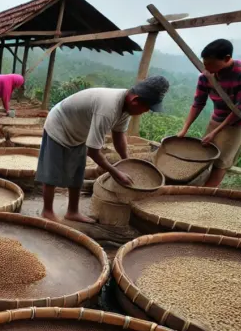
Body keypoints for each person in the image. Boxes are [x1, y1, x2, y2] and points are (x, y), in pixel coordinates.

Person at [37, 76, 169, 223]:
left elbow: (118, 135)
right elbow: (93, 151)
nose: (145, 112)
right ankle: (47, 211)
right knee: (52, 172)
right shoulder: (108, 109)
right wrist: (115, 172)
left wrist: (128, 162)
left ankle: (72, 212)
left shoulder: (126, 109)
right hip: (59, 124)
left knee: (77, 173)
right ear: (135, 100)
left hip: (78, 131)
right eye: (146, 108)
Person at [177, 39, 241, 187]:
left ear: (227, 58)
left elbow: (240, 110)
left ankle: (207, 194)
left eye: (211, 64)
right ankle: (197, 185)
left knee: (222, 159)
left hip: (240, 119)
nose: (206, 68)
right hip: (219, 113)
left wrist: (215, 132)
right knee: (206, 150)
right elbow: (198, 103)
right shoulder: (206, 76)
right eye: (205, 63)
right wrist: (185, 128)